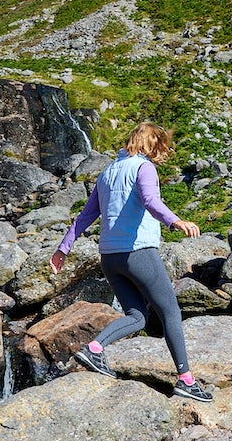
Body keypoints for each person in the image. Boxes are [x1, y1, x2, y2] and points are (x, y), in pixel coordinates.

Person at [50, 122, 214, 402]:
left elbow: (85, 217)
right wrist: (176, 221)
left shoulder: (107, 173)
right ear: (151, 144)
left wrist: (63, 249)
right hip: (137, 252)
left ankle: (94, 349)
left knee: (137, 317)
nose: (162, 155)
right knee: (171, 312)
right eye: (161, 148)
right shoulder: (143, 167)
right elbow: (150, 200)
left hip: (109, 258)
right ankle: (186, 379)